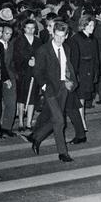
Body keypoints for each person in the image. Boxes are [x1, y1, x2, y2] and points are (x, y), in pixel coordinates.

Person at [27, 20, 76, 162]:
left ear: (66, 36)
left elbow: (67, 66)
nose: (59, 39)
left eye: (62, 36)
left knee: (56, 119)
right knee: (60, 120)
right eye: (57, 35)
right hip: (49, 88)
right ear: (52, 34)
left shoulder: (67, 48)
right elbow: (37, 71)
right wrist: (44, 86)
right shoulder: (43, 50)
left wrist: (70, 80)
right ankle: (63, 153)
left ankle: (36, 137)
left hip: (63, 87)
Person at [68, 14, 99, 136]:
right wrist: (75, 75)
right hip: (80, 71)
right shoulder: (75, 39)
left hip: (89, 71)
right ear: (83, 25)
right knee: (80, 98)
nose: (92, 28)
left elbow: (96, 57)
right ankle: (81, 123)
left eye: (93, 25)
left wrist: (96, 72)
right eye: (90, 25)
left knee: (83, 98)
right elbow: (74, 59)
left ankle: (81, 122)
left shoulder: (93, 39)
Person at [13, 19, 43, 131]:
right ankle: (21, 122)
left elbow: (41, 55)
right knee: (22, 97)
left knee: (32, 98)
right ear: (24, 28)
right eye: (28, 28)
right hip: (22, 73)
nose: (30, 30)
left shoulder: (38, 41)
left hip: (34, 72)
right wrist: (27, 62)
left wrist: (37, 62)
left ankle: (29, 122)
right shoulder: (19, 40)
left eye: (33, 28)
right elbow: (16, 57)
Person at [0, 24, 17, 137]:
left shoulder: (11, 45)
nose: (8, 36)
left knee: (11, 102)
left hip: (10, 76)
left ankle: (7, 126)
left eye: (10, 34)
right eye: (6, 33)